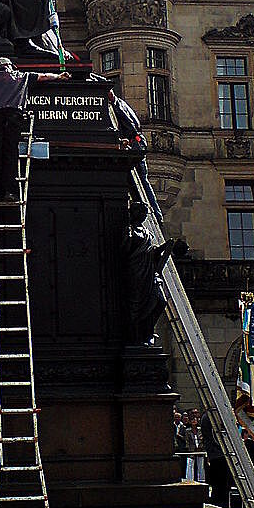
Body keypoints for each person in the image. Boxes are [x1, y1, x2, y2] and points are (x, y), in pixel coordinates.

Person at [0, 57, 70, 202]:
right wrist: (59, 76)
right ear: (11, 66)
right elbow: (44, 76)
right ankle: (10, 192)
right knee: (11, 154)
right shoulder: (22, 76)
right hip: (13, 118)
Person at [96, 79, 164, 221]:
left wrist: (127, 141)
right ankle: (155, 213)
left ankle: (154, 213)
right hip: (138, 141)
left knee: (141, 181)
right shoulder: (122, 104)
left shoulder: (117, 106)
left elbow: (132, 127)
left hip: (135, 143)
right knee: (142, 181)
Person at [120, 202, 174, 346]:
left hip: (148, 273)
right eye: (141, 212)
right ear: (133, 213)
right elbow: (124, 252)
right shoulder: (129, 230)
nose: (144, 215)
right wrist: (128, 239)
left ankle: (147, 332)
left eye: (145, 212)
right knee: (135, 306)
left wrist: (165, 247)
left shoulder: (147, 232)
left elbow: (151, 253)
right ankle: (135, 337)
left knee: (160, 301)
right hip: (135, 272)